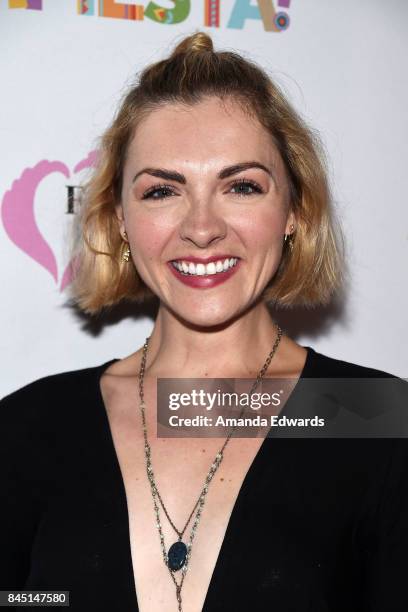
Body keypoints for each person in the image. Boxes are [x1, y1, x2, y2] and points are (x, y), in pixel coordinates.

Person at [1, 31, 407, 612]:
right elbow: (24, 598)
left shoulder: (378, 421)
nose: (201, 227)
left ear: (295, 210)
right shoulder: (24, 431)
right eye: (162, 190)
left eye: (241, 186)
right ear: (119, 218)